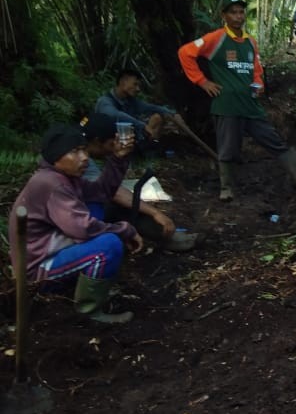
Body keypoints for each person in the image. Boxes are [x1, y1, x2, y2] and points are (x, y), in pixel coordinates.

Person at [178, 0, 296, 201]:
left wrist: (258, 84)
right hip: (227, 105)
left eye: (241, 12)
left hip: (250, 105)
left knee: (273, 139)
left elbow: (256, 68)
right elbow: (185, 53)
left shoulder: (250, 42)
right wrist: (202, 81)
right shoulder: (216, 39)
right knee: (227, 149)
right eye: (233, 12)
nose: (238, 17)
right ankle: (226, 189)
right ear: (224, 15)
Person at [7, 123, 143, 323]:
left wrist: (119, 158)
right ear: (56, 157)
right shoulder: (51, 183)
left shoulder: (64, 177)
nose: (85, 157)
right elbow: (84, 229)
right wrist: (125, 230)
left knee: (94, 205)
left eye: (83, 149)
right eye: (75, 152)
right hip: (37, 271)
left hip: (51, 251)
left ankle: (89, 274)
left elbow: (101, 193)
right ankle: (89, 311)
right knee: (109, 245)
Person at [80, 114, 197, 252]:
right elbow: (113, 192)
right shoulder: (82, 160)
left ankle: (164, 235)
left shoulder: (76, 148)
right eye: (111, 143)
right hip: (74, 218)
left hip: (72, 211)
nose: (113, 147)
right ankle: (165, 236)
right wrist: (154, 212)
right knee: (118, 207)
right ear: (97, 141)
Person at [94, 69, 185, 146]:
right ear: (123, 82)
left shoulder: (131, 101)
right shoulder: (105, 101)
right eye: (135, 84)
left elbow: (151, 107)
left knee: (157, 118)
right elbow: (116, 115)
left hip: (128, 138)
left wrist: (173, 114)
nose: (138, 89)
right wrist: (142, 126)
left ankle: (148, 147)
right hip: (109, 142)